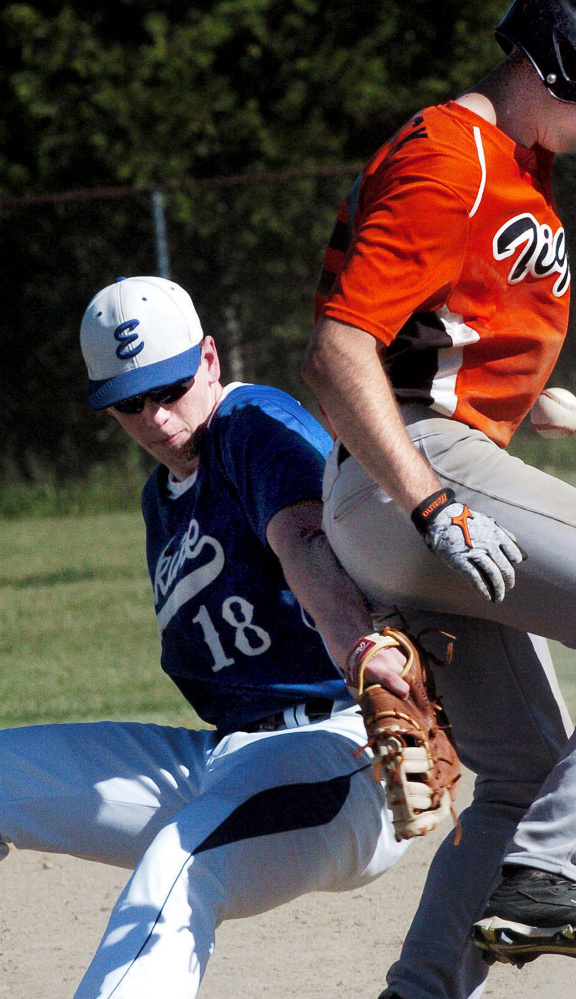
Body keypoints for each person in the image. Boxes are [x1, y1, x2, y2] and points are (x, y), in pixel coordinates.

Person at [302, 1, 576, 997]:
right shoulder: (451, 155)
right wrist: (431, 503)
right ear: (567, 60)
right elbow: (336, 349)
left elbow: (426, 332)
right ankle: (555, 874)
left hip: (410, 472)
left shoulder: (513, 163)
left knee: (523, 774)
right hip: (414, 477)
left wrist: (518, 397)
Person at [0, 275, 410, 999]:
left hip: (342, 751)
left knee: (179, 869)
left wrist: (361, 651)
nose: (157, 417)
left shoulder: (251, 425)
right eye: (131, 402)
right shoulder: (160, 499)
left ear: (211, 359)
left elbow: (303, 539)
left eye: (172, 387)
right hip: (229, 758)